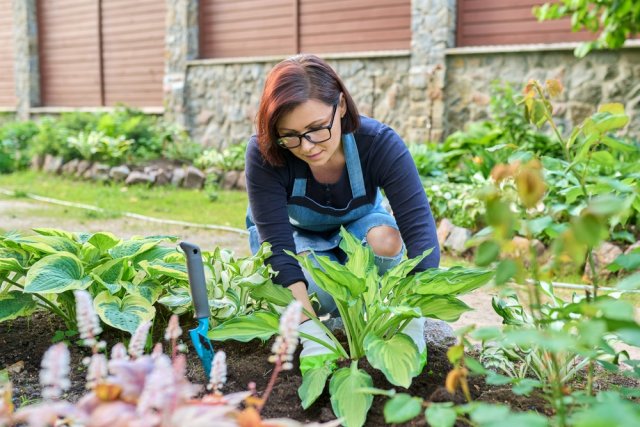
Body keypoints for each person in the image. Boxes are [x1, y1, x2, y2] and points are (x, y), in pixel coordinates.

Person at [245, 54, 440, 373]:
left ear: (342, 106)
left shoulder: (378, 143)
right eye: (290, 135)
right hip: (296, 235)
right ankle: (332, 318)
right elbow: (280, 252)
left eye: (316, 128)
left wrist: (412, 322)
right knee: (316, 283)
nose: (307, 147)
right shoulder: (265, 154)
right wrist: (309, 333)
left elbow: (421, 238)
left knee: (386, 241)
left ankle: (372, 312)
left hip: (359, 225)